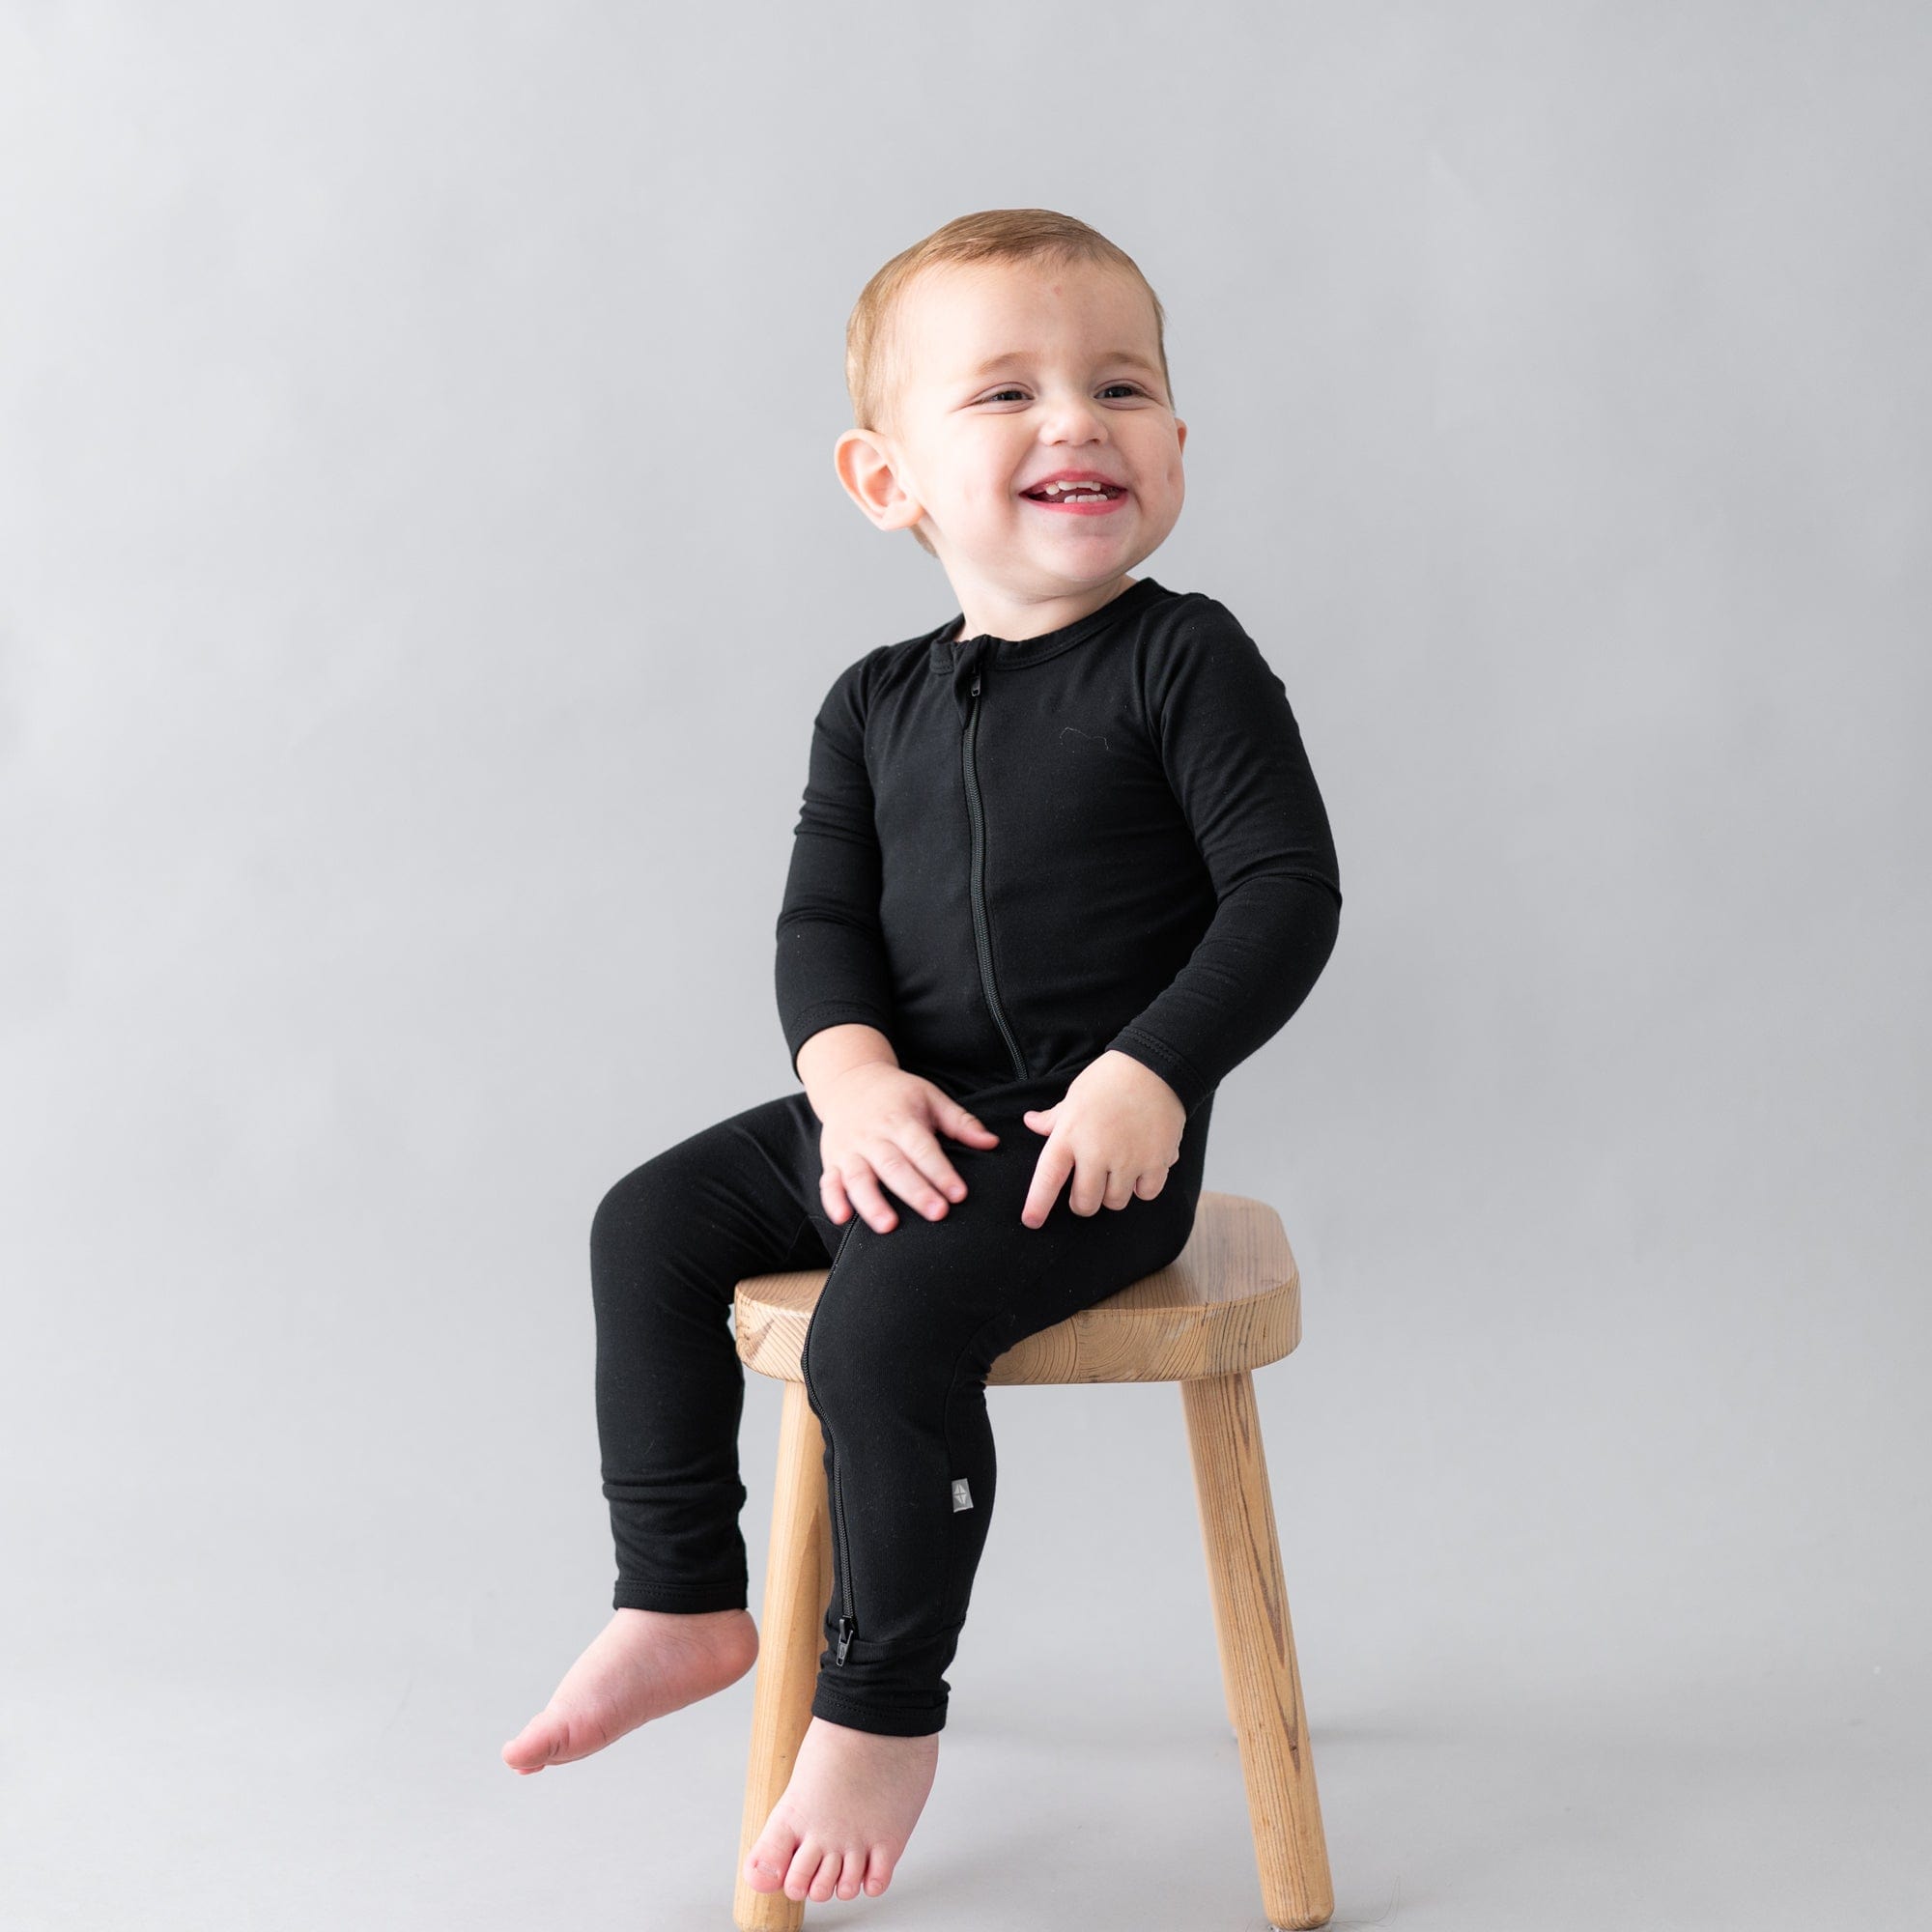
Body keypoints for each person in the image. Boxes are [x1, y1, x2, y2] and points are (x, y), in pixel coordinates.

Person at [500, 207, 1344, 1908]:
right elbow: (820, 926)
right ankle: (678, 1595)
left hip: (1085, 1151)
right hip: (902, 1116)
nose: (1075, 420)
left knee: (881, 1337)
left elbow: (1284, 894)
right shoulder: (871, 699)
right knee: (641, 1227)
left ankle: (880, 1701)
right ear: (884, 479)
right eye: (1006, 391)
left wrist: (1151, 1072)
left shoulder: (1187, 659)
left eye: (1122, 383)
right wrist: (850, 1080)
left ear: (1176, 441)